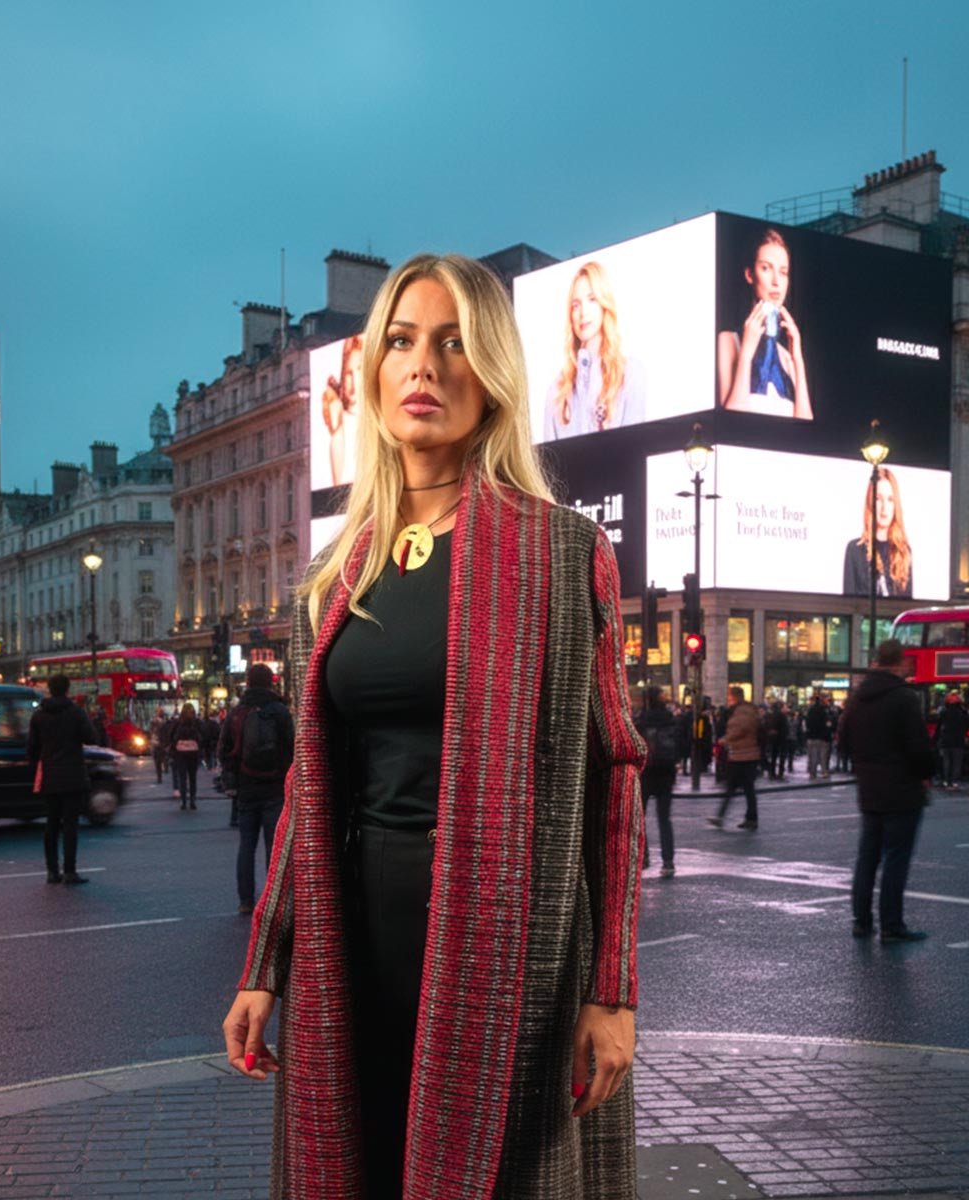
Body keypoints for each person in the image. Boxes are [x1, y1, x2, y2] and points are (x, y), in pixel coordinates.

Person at [221, 253, 645, 1199]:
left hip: (511, 948)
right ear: (373, 376)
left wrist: (610, 990)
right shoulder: (335, 577)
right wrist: (266, 966)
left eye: (454, 344)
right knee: (362, 1164)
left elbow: (614, 778)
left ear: (491, 374)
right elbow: (306, 790)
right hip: (353, 935)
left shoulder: (560, 551)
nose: (425, 367)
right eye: (404, 342)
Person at [838, 638, 937, 942]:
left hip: (870, 789)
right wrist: (925, 774)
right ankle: (892, 925)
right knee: (896, 857)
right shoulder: (904, 698)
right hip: (902, 789)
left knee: (867, 856)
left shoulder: (856, 698)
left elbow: (843, 744)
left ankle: (862, 921)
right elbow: (918, 747)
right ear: (900, 662)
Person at [220, 663, 294, 914]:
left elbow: (224, 751)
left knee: (246, 846)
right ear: (270, 682)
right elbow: (292, 748)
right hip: (274, 787)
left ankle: (245, 901)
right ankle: (273, 900)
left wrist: (232, 782)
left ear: (249, 682)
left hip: (246, 788)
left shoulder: (237, 712)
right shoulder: (280, 711)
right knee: (274, 849)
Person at [543, 260, 646, 440]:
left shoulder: (630, 373)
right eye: (575, 305)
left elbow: (636, 448)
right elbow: (546, 463)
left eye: (592, 300)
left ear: (603, 304)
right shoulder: (557, 390)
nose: (583, 312)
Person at [717, 227, 812, 420]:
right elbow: (732, 419)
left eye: (783, 272)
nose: (776, 281)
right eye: (766, 268)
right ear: (750, 275)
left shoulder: (787, 357)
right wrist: (746, 353)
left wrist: (798, 358)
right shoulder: (729, 340)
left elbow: (806, 426)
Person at [27, 674, 96, 886]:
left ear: (49, 689)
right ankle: (69, 871)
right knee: (70, 826)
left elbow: (32, 749)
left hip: (49, 775)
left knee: (52, 824)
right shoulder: (75, 712)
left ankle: (51, 871)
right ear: (67, 689)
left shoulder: (39, 716)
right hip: (73, 775)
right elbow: (91, 738)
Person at [842, 467, 913, 598]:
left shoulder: (903, 551)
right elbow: (849, 606)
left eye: (890, 499)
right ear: (870, 502)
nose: (884, 508)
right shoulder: (855, 549)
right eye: (878, 499)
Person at [635, 686, 677, 878]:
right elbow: (681, 742)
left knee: (640, 818)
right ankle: (668, 861)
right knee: (664, 819)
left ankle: (643, 857)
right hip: (666, 773)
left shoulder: (642, 720)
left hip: (646, 773)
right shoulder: (670, 719)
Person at [709, 686, 762, 830]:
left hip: (743, 755)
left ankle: (722, 817)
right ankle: (750, 818)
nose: (728, 699)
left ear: (735, 696)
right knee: (745, 789)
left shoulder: (742, 711)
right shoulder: (746, 709)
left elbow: (740, 729)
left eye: (729, 696)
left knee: (734, 788)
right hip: (744, 754)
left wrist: (725, 739)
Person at [322, 334, 364, 486]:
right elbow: (339, 488)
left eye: (360, 371)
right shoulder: (342, 428)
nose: (354, 384)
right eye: (348, 374)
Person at [934, 691, 969, 790]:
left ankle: (946, 781)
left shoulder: (944, 712)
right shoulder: (963, 712)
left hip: (945, 741)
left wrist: (935, 739)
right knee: (957, 763)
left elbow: (938, 727)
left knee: (946, 762)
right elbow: (968, 726)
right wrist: (967, 736)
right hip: (958, 741)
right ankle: (955, 782)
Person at [171, 702, 203, 810]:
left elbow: (171, 737)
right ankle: (192, 801)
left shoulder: (178, 722)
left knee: (182, 778)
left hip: (180, 754)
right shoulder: (197, 722)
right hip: (193, 753)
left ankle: (184, 802)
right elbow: (203, 735)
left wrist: (172, 750)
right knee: (193, 778)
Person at [806, 693, 831, 778]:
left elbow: (807, 723)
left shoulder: (810, 711)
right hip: (822, 737)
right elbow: (828, 724)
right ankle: (824, 772)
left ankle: (812, 773)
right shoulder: (824, 711)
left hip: (811, 736)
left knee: (813, 756)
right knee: (823, 756)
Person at [149, 705, 168, 784]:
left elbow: (151, 732)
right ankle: (163, 771)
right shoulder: (164, 722)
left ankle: (159, 776)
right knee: (162, 758)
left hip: (157, 743)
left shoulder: (155, 721)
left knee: (158, 761)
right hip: (159, 743)